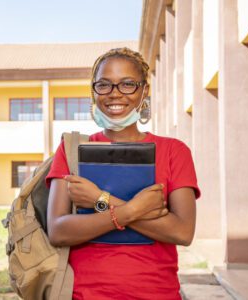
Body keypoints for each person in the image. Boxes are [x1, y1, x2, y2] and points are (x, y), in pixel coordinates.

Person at [45, 47, 200, 299]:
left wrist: (100, 200)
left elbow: (182, 232)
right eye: (104, 85)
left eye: (127, 84)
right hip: (84, 294)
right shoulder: (72, 149)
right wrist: (134, 209)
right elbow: (58, 231)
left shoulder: (174, 151)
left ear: (144, 91)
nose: (115, 94)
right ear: (93, 91)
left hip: (157, 293)